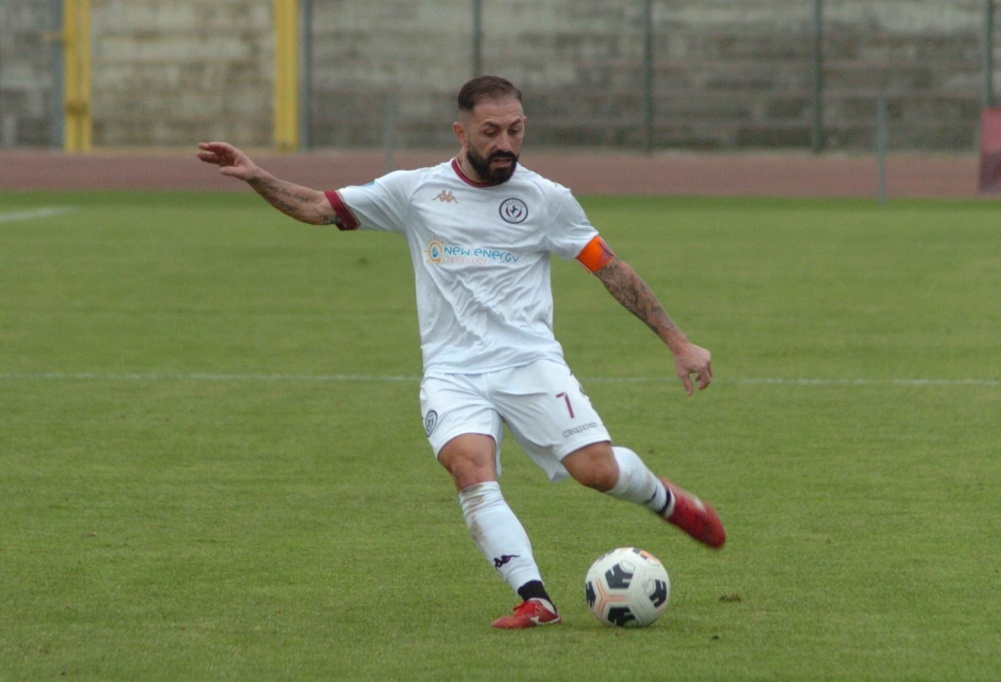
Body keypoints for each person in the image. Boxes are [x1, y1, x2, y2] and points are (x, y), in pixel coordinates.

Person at [197, 75, 725, 630]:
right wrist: (258, 177)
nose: (506, 143)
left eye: (515, 130)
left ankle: (667, 501)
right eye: (491, 131)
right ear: (461, 131)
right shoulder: (415, 191)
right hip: (453, 373)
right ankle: (535, 600)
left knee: (595, 471)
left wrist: (678, 341)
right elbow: (318, 206)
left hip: (530, 363)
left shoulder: (547, 199)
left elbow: (609, 267)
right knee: (471, 471)